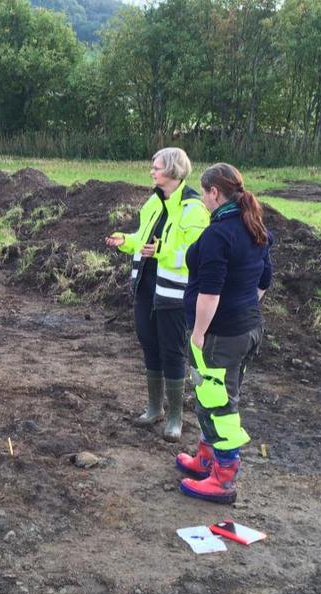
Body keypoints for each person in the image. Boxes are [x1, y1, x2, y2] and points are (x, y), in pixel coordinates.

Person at [176, 163, 272, 504]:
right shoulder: (253, 225)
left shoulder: (220, 234)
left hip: (220, 335)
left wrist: (200, 332)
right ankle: (208, 458)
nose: (202, 198)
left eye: (204, 192)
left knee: (219, 405)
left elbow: (211, 292)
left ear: (214, 193)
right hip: (247, 329)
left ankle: (223, 478)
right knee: (212, 395)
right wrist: (243, 306)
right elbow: (263, 281)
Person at [106, 148, 210, 441]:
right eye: (152, 167)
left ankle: (175, 417)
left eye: (157, 167)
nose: (151, 171)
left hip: (174, 293)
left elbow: (196, 252)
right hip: (146, 286)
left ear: (174, 170)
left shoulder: (194, 209)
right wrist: (125, 240)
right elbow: (143, 239)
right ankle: (154, 409)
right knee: (150, 345)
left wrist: (162, 252)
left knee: (173, 351)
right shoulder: (153, 202)